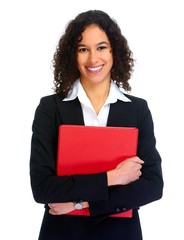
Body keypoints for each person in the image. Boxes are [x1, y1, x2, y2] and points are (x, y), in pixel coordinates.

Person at [30, 10, 163, 240]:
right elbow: (43, 187)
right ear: (73, 54)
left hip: (120, 234)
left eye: (101, 47)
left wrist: (79, 203)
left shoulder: (137, 110)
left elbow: (152, 186)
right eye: (83, 49)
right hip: (62, 233)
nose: (93, 59)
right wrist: (113, 177)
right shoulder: (50, 109)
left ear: (114, 51)